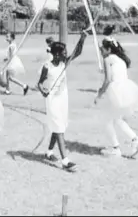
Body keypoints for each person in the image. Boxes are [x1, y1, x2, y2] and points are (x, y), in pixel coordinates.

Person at [37, 31, 88, 172]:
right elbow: (40, 83)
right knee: (59, 128)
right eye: (64, 52)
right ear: (57, 54)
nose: (67, 53)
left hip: (63, 99)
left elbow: (77, 52)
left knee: (59, 126)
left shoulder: (64, 62)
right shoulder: (47, 66)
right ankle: (65, 161)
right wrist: (43, 91)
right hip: (52, 100)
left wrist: (82, 39)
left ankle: (48, 152)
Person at [95, 37, 138, 157]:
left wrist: (99, 94)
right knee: (117, 119)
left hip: (114, 91)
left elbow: (107, 80)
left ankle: (116, 148)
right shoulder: (119, 59)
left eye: (102, 47)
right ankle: (134, 140)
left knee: (107, 120)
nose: (100, 49)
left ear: (108, 49)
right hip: (124, 90)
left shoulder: (108, 59)